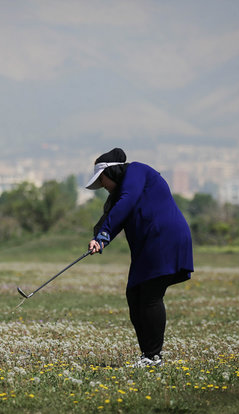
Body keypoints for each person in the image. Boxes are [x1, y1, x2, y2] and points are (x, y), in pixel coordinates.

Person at [86, 148, 194, 367]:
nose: (103, 186)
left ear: (113, 172)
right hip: (149, 244)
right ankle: (148, 356)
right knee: (135, 295)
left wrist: (104, 234)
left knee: (150, 296)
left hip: (164, 239)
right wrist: (99, 238)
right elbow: (114, 213)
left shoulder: (137, 171)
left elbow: (126, 202)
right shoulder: (121, 192)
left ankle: (153, 358)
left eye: (103, 180)